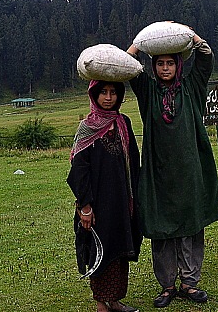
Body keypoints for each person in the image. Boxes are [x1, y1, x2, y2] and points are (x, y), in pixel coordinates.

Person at [127, 30, 218, 308]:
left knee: (191, 227)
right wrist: (138, 44)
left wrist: (191, 36)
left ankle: (190, 284)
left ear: (178, 64)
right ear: (154, 66)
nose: (165, 68)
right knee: (161, 229)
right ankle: (167, 285)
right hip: (157, 174)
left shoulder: (192, 87)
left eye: (170, 63)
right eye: (160, 64)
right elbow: (128, 66)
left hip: (191, 170)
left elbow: (206, 59)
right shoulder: (147, 92)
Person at [67, 80, 143, 312]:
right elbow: (79, 169)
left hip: (121, 201)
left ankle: (115, 300)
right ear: (94, 95)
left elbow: (133, 160)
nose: (108, 97)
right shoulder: (87, 127)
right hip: (98, 203)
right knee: (100, 250)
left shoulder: (123, 123)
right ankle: (102, 302)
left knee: (120, 248)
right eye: (103, 92)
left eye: (113, 92)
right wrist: (85, 206)